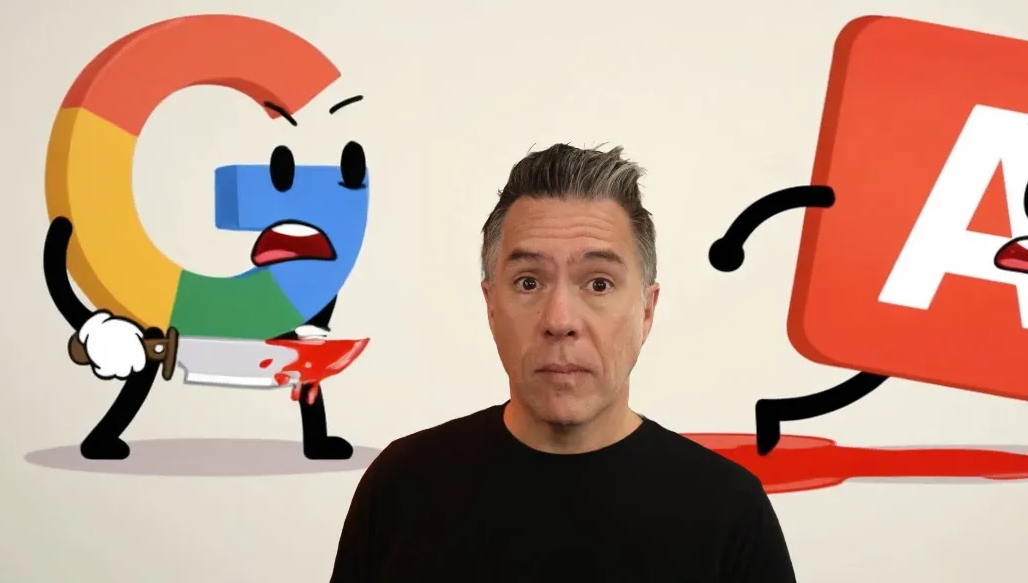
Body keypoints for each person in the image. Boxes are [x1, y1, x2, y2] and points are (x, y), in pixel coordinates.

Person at [328, 143, 797, 582]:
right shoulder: (402, 485)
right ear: (491, 305)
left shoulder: (729, 512)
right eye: (529, 282)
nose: (559, 321)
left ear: (647, 310)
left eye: (598, 284)